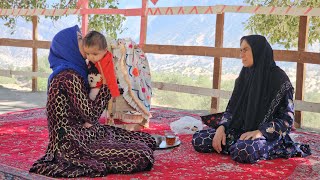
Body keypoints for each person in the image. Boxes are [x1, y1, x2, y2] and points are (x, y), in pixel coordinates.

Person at [29, 25, 156, 178]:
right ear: (67, 46)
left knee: (146, 140)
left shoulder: (77, 70)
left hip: (86, 132)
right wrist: (106, 88)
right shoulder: (68, 76)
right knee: (141, 155)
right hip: (72, 142)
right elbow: (90, 115)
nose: (83, 41)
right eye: (79, 39)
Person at [192, 35, 311, 163]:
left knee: (244, 150)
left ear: (257, 50)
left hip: (267, 135)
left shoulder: (279, 79)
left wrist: (261, 131)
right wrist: (222, 128)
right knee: (199, 139)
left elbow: (287, 119)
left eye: (245, 50)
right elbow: (231, 108)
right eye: (240, 50)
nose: (241, 55)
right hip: (239, 132)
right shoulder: (244, 76)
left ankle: (245, 146)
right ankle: (233, 145)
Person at [83, 30, 120, 100]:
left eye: (95, 54)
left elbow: (111, 77)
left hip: (100, 89)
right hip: (93, 86)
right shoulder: (93, 60)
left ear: (105, 50)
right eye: (87, 54)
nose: (90, 57)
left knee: (92, 99)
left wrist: (114, 94)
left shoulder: (105, 62)